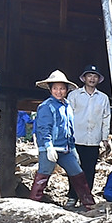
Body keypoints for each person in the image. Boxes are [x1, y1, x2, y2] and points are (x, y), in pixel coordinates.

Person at [29, 69, 97, 210]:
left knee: (78, 174)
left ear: (66, 90)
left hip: (66, 149)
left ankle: (89, 204)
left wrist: (73, 148)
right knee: (43, 176)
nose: (58, 91)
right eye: (55, 88)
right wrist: (48, 146)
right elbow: (43, 128)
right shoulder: (46, 106)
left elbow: (69, 129)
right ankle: (33, 205)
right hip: (51, 148)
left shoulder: (67, 106)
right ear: (50, 89)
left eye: (62, 88)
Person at [66, 65, 112, 205]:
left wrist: (105, 138)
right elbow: (67, 116)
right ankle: (72, 196)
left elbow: (106, 118)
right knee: (74, 169)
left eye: (95, 76)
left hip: (93, 140)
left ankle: (86, 196)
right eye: (89, 76)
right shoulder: (74, 95)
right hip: (76, 138)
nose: (92, 79)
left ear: (98, 79)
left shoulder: (103, 98)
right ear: (84, 78)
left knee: (90, 169)